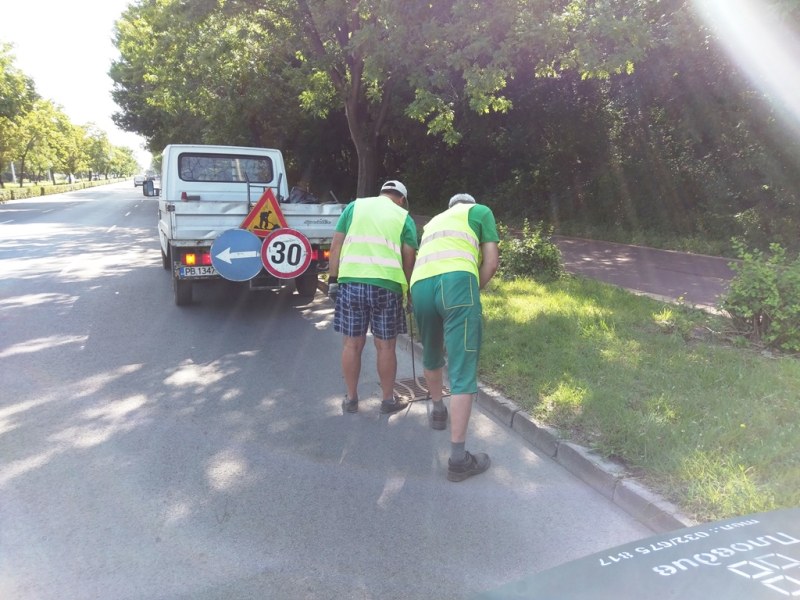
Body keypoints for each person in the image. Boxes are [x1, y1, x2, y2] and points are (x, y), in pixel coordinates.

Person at [409, 193, 500, 482]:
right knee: (462, 368)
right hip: (457, 282)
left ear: (450, 207)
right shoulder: (480, 211)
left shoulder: (434, 221)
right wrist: (475, 290)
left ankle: (438, 411)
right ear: (469, 203)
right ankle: (459, 460)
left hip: (420, 284)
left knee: (432, 352)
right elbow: (492, 262)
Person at [327, 180, 418, 415]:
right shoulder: (403, 216)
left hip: (351, 284)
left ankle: (351, 399)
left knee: (351, 344)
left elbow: (336, 246)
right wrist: (409, 291)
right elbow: (409, 257)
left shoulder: (354, 207)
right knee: (385, 346)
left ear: (381, 194)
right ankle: (388, 401)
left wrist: (333, 280)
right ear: (401, 199)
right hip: (386, 287)